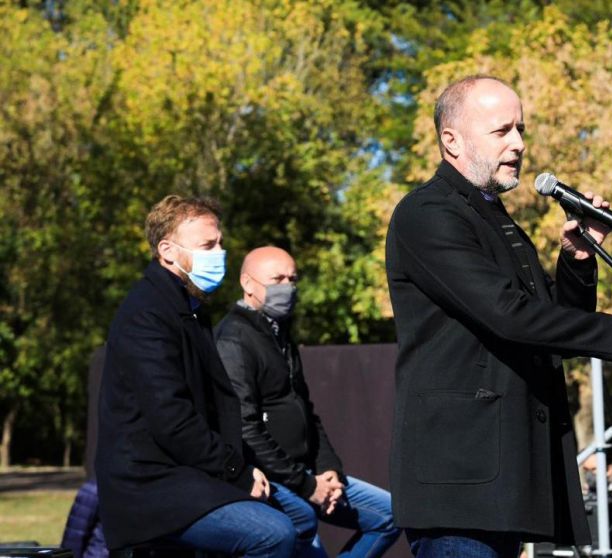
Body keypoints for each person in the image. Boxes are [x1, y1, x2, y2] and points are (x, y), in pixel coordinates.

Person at [384, 75, 612, 557]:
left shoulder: (495, 219)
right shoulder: (427, 214)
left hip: (499, 481)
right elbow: (511, 317)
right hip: (458, 485)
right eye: (502, 130)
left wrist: (577, 258)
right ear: (452, 140)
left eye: (521, 129)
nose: (519, 144)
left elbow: (552, 324)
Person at [95, 195, 315, 557]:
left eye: (220, 243)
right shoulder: (147, 315)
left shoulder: (188, 307)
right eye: (207, 245)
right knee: (272, 533)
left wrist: (243, 466)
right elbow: (172, 420)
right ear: (167, 250)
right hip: (151, 484)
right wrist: (238, 472)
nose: (219, 253)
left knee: (302, 518)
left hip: (189, 473)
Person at [215, 246, 401, 558]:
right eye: (277, 279)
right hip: (274, 481)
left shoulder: (280, 333)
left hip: (309, 472)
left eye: (292, 279)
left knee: (389, 515)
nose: (287, 288)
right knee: (301, 524)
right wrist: (305, 485)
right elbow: (246, 429)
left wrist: (329, 469)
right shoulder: (233, 339)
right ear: (248, 284)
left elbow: (306, 410)